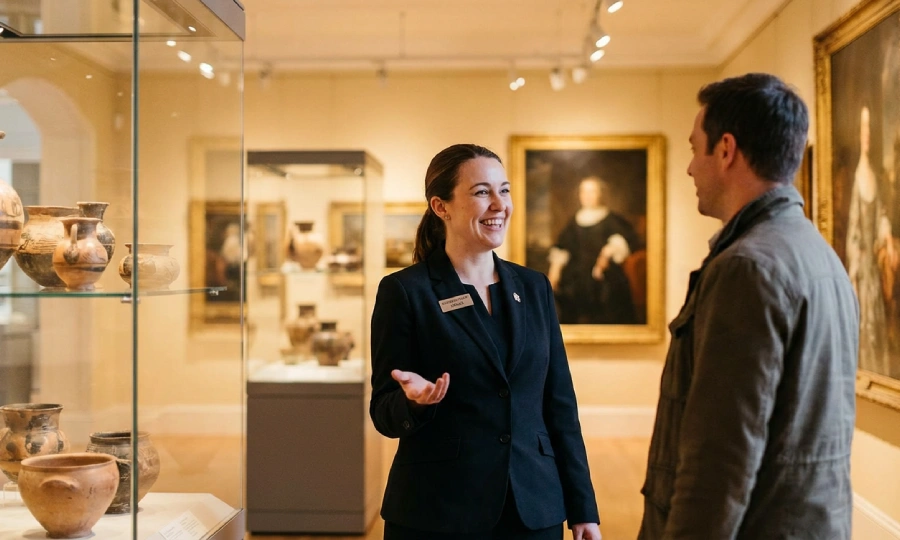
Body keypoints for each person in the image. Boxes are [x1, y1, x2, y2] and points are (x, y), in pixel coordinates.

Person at [639, 73, 859, 539]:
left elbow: (719, 458)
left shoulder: (748, 267)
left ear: (726, 150)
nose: (690, 168)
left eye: (695, 148)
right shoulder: (820, 255)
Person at [369, 143, 602, 540]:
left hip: (533, 508)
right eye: (482, 192)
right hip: (438, 512)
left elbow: (560, 404)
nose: (500, 204)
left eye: (504, 190)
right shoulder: (405, 292)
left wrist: (583, 509)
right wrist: (414, 402)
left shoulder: (534, 287)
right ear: (441, 207)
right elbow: (384, 411)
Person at [547, 176, 640, 324]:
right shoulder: (574, 221)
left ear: (601, 194)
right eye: (584, 192)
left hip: (605, 274)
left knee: (609, 300)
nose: (587, 196)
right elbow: (562, 247)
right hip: (577, 277)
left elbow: (627, 240)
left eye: (592, 191)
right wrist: (555, 270)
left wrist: (607, 253)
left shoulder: (612, 219)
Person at [846, 106, 892, 374]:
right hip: (862, 268)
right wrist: (857, 261)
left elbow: (881, 215)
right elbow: (854, 226)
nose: (867, 135)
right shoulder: (857, 177)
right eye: (863, 130)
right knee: (865, 321)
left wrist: (885, 237)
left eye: (870, 130)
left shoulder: (874, 175)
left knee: (876, 319)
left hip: (871, 267)